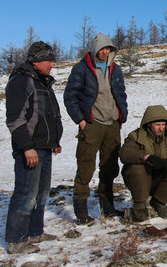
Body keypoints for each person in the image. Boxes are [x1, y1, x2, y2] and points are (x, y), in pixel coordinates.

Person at [4, 41, 63, 254]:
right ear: (37, 61)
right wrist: (26, 147)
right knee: (26, 193)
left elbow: (50, 115)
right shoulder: (21, 82)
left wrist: (54, 141)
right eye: (49, 60)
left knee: (41, 193)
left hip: (45, 147)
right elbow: (15, 119)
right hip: (30, 148)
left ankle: (35, 232)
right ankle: (16, 240)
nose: (52, 64)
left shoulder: (43, 82)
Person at [63, 33, 128, 224]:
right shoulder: (81, 69)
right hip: (92, 124)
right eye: (101, 48)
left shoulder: (115, 69)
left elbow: (121, 93)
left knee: (109, 167)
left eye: (108, 48)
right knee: (85, 167)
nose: (105, 52)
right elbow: (70, 97)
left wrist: (121, 114)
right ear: (94, 50)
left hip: (112, 124)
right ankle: (81, 213)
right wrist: (81, 121)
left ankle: (107, 208)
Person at [119, 105, 167, 222]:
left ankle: (159, 201)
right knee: (136, 168)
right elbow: (124, 153)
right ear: (148, 124)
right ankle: (140, 203)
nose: (161, 128)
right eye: (157, 125)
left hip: (160, 179)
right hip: (141, 180)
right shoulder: (136, 136)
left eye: (163, 125)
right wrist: (146, 157)